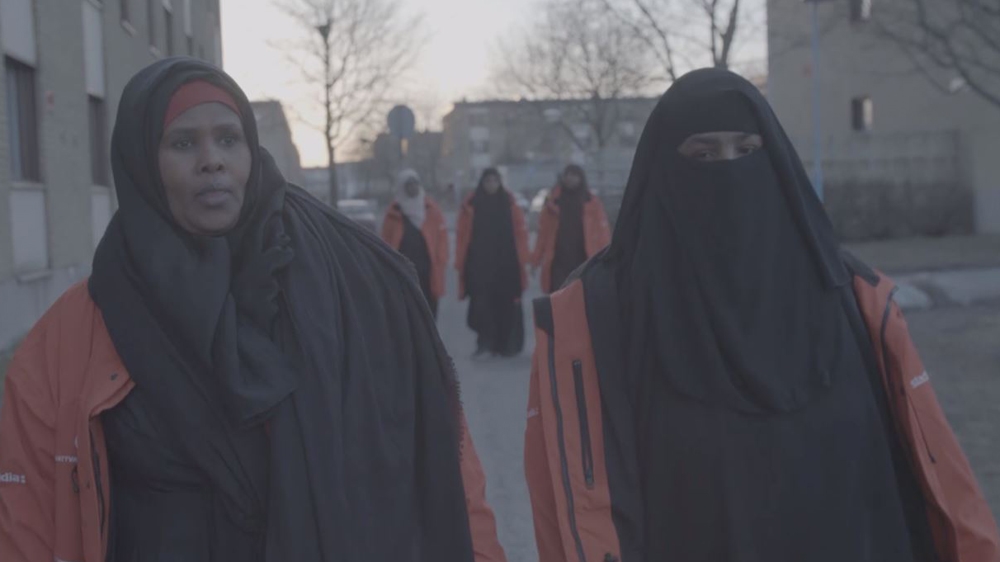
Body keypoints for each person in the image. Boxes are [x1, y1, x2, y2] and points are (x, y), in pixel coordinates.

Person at [0, 58, 508, 562]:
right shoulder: (70, 338)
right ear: (140, 164)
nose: (211, 160)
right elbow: (27, 522)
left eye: (228, 139)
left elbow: (446, 476)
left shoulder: (351, 287)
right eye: (182, 143)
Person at [523, 68, 999, 562]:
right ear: (662, 171)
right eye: (703, 155)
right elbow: (562, 511)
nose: (727, 173)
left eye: (746, 151)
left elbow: (944, 483)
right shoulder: (600, 319)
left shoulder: (850, 297)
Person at [456, 168, 530, 358]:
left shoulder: (509, 204)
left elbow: (520, 233)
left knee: (505, 303)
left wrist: (524, 259)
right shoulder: (472, 204)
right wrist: (461, 261)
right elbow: (463, 234)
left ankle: (503, 344)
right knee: (481, 304)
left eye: (495, 181)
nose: (491, 185)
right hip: (479, 263)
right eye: (488, 181)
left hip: (506, 263)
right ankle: (484, 342)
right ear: (482, 183)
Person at [531, 164, 611, 294]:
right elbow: (543, 235)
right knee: (559, 297)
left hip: (584, 260)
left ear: (581, 178)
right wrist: (535, 260)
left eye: (574, 175)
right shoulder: (553, 203)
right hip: (558, 260)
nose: (570, 178)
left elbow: (602, 233)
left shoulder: (592, 203)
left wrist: (607, 258)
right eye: (567, 175)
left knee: (581, 298)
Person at [381, 169, 449, 318]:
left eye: (415, 184)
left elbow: (442, 239)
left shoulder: (431, 210)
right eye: (408, 185)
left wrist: (440, 260)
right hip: (403, 273)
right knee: (408, 314)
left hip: (428, 271)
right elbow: (385, 243)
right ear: (401, 187)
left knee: (430, 311)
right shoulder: (393, 213)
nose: (413, 188)